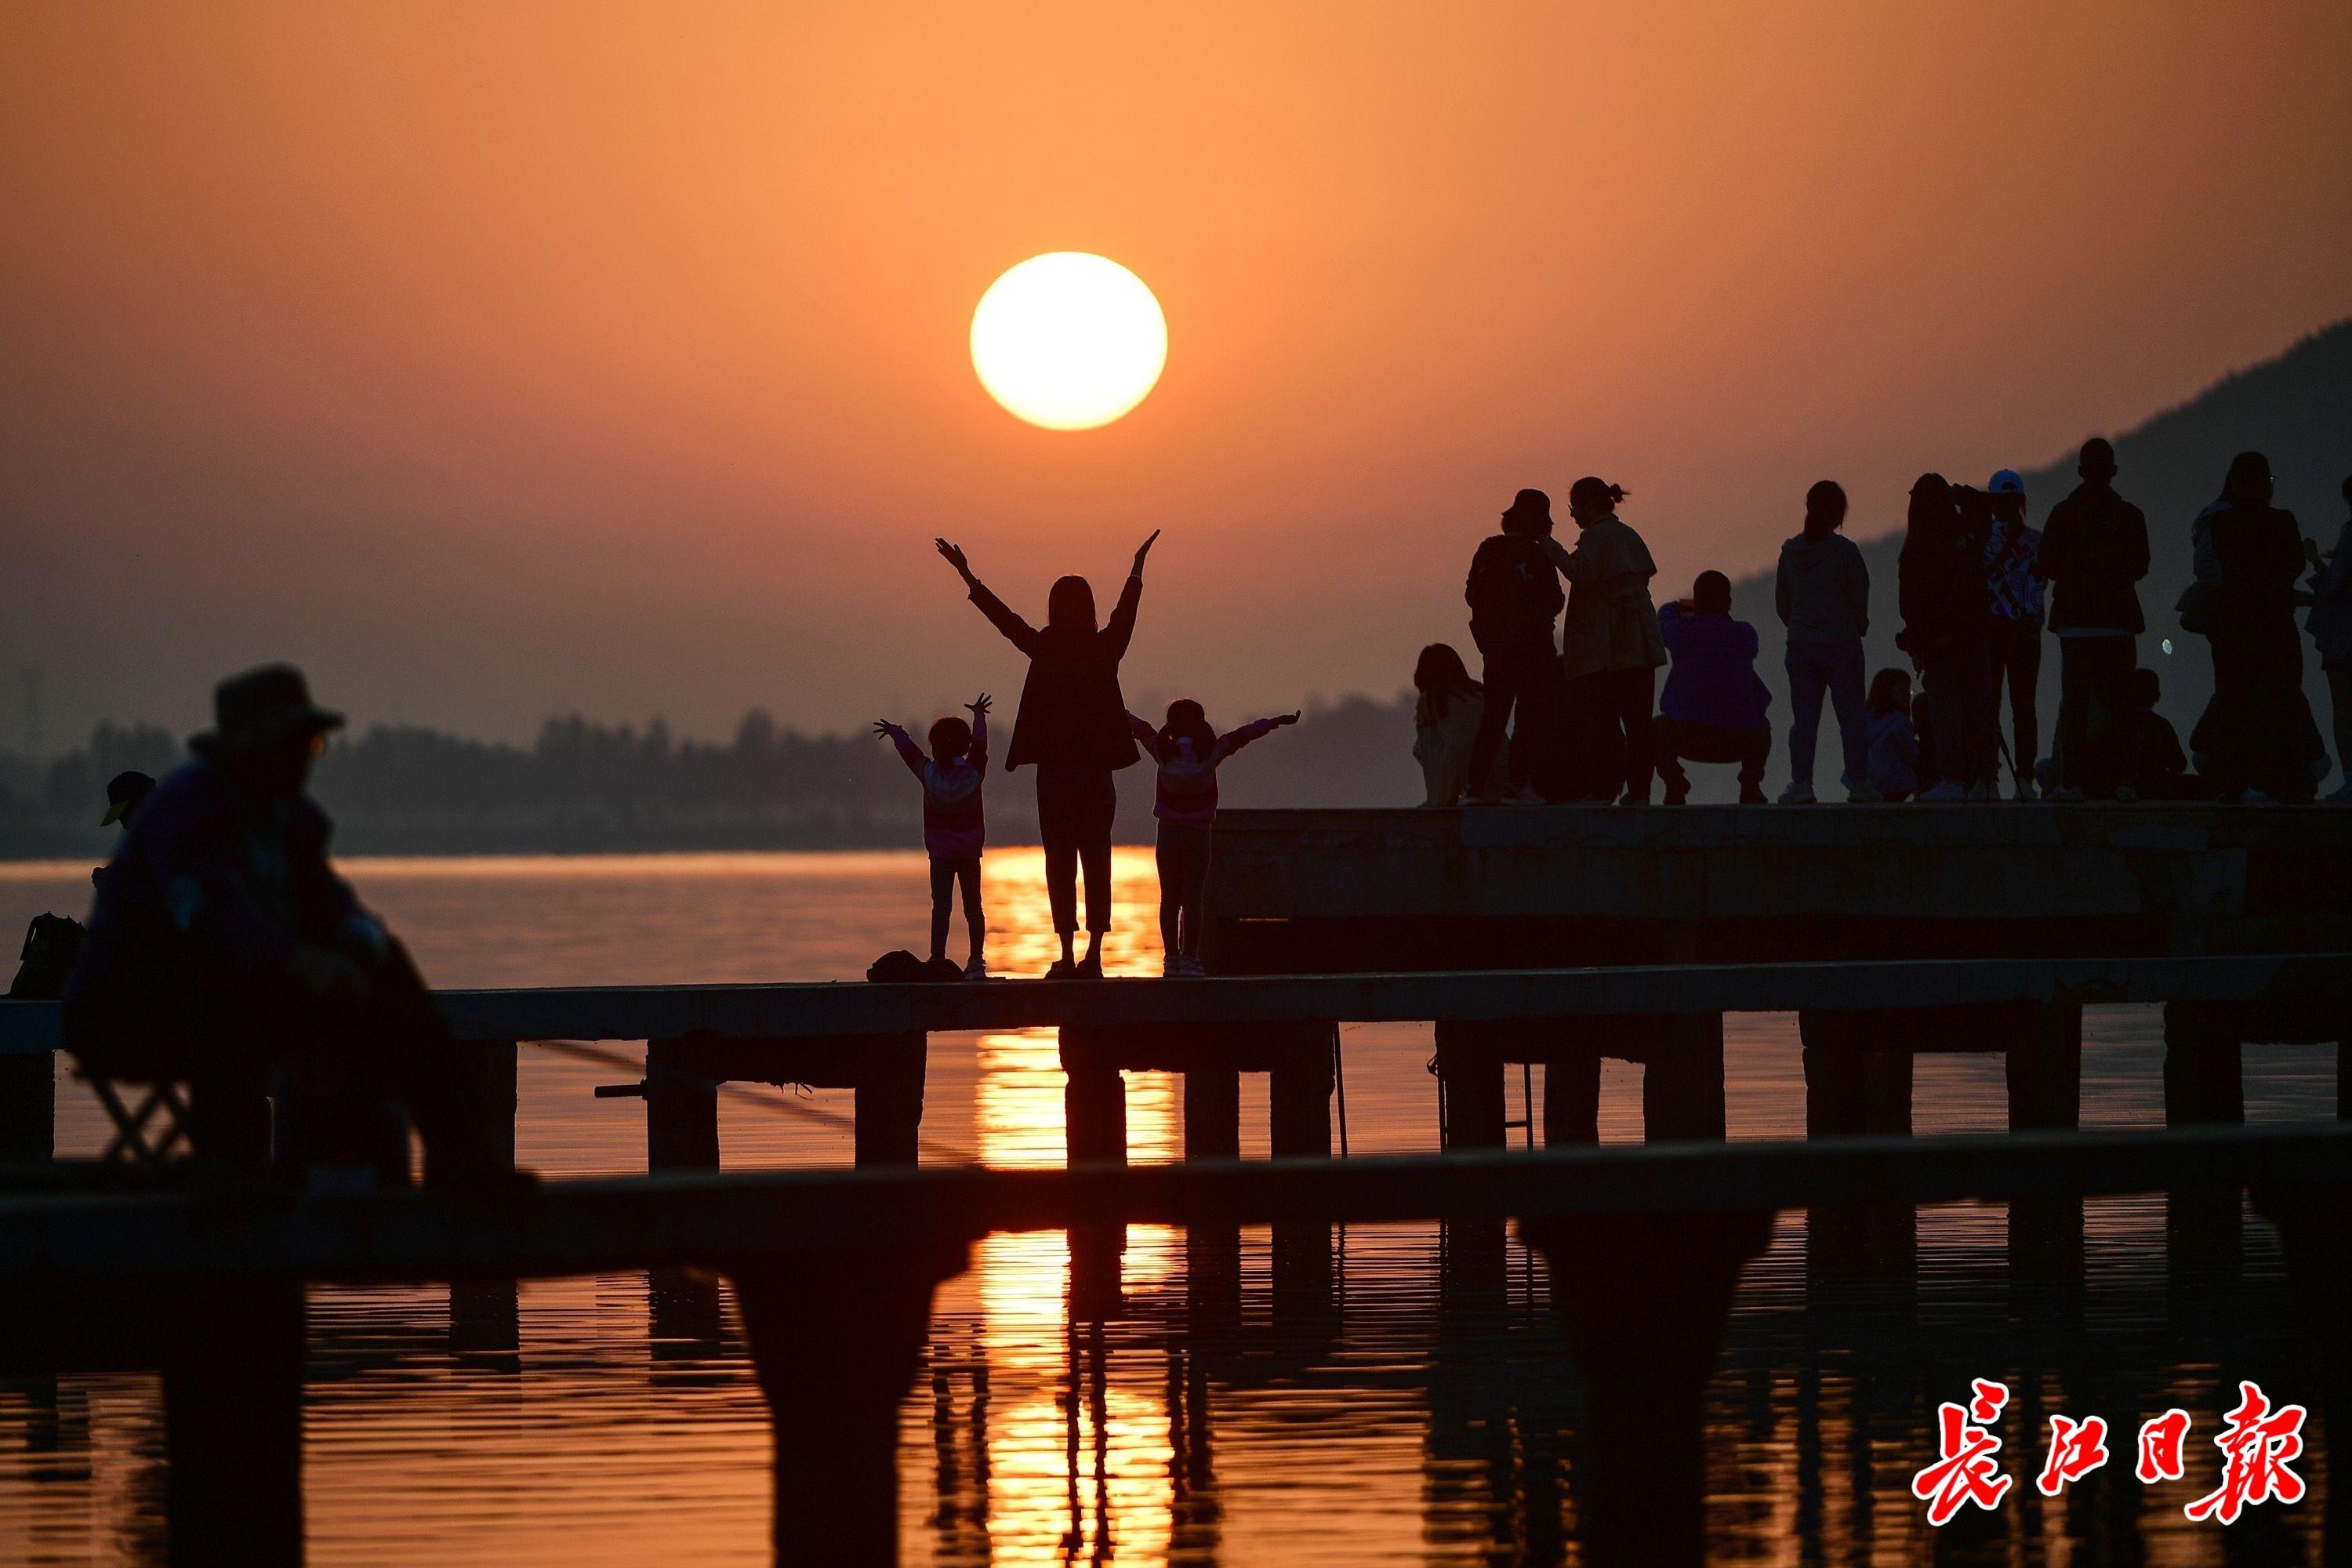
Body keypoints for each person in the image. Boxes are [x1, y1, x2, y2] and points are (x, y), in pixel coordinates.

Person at [62, 666, 519, 1187]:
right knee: (222, 982)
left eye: (314, 745)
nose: (306, 758)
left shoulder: (291, 821)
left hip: (230, 994)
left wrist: (358, 950)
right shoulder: (186, 809)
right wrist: (302, 962)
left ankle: (459, 1159)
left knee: (386, 964)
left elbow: (332, 905)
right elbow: (208, 916)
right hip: (123, 1009)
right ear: (256, 747)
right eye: (298, 744)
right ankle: (230, 1174)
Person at [938, 531, 1158, 977]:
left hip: (1056, 778)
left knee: (1060, 863)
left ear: (1055, 608)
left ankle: (1066, 952)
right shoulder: (1103, 650)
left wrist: (968, 575)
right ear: (1089, 609)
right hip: (1096, 778)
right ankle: (1092, 955)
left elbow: (1006, 620)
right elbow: (1125, 616)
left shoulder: (1046, 647)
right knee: (1097, 860)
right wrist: (1136, 569)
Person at [2183, 452, 2326, 802]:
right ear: (2265, 484)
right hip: (2277, 626)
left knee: (2234, 699)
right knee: (2282, 697)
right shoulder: (2283, 522)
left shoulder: (2219, 524)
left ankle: (2235, 779)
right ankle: (2286, 775)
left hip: (2233, 628)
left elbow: (2207, 569)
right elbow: (2293, 565)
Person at [1128, 701, 1298, 975]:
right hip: (1198, 833)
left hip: (1168, 832)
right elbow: (1244, 734)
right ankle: (1191, 960)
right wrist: (1275, 721)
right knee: (1193, 899)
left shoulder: (1162, 750)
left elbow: (1138, 727)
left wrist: (1109, 706)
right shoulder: (1212, 752)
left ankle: (1171, 960)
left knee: (1169, 899)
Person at [1544, 477, 1668, 803]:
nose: (1572, 516)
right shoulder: (1627, 536)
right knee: (1639, 724)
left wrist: (1550, 547)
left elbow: (1582, 574)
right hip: (1638, 645)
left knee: (1606, 724)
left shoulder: (1598, 539)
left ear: (1587, 505)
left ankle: (1605, 788)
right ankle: (1639, 791)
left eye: (1573, 508)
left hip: (1610, 651)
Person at [2038, 439, 2150, 800]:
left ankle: (2073, 781)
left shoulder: (2063, 514)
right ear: (2113, 472)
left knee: (2075, 705)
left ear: (2081, 471)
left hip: (2075, 623)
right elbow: (2141, 566)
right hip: (2118, 621)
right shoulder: (2130, 516)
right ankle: (2125, 781)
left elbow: (2048, 565)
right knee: (2121, 705)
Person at [1775, 480, 1879, 804]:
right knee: (1851, 718)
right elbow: (1858, 598)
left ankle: (1801, 783)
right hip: (1842, 645)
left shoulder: (1790, 553)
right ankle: (1859, 783)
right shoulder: (1846, 553)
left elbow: (1783, 605)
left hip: (1802, 644)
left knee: (1804, 720)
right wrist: (1856, 624)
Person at [873, 695, 993, 978]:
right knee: (973, 907)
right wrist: (979, 717)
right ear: (963, 746)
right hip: (969, 852)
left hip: (940, 853)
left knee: (941, 908)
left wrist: (896, 732)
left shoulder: (928, 773)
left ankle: (937, 958)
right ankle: (976, 961)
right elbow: (981, 745)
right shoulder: (974, 770)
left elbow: (909, 753)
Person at [1463, 490, 1566, 803]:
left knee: (1493, 720)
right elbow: (1555, 600)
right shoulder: (1537, 555)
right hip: (1535, 651)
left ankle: (1474, 787)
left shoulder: (1488, 550)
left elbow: (1472, 595)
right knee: (1529, 718)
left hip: (1497, 651)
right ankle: (1520, 785)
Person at [1899, 474, 1996, 802]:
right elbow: (1986, 506)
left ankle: (1955, 779)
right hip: (1973, 637)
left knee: (1948, 712)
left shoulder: (1918, 548)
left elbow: (1910, 604)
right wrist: (1959, 494)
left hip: (1940, 644)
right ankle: (1984, 780)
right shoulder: (1965, 536)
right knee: (1977, 709)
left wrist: (1917, 642)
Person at [1652, 571, 1770, 804]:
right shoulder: (1744, 634)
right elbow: (1751, 649)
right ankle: (1750, 785)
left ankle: (1675, 782)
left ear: (1697, 602)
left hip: (1688, 736)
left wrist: (1678, 607)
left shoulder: (1681, 633)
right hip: (1737, 738)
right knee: (1762, 727)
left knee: (1657, 728)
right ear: (1728, 602)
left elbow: (1662, 619)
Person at [1982, 470, 2046, 800]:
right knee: (2024, 708)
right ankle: (2024, 778)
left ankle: (1990, 778)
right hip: (2025, 633)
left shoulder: (1981, 540)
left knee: (1989, 706)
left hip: (1991, 632)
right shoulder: (2037, 541)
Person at [2304, 474, 2352, 801]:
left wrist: (2314, 560)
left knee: (2344, 707)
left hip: (2343, 636)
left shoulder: (2350, 532)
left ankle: (2350, 780)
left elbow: (2334, 586)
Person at [1412, 644, 1501, 805]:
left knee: (1422, 745)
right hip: (1499, 773)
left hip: (1462, 772)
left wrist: (1437, 800)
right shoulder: (1479, 693)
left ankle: (1438, 800)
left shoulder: (1430, 701)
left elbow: (1433, 751)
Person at [2124, 667, 2200, 800]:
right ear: (2157, 696)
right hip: (2158, 785)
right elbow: (2179, 763)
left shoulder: (2120, 724)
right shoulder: (2161, 725)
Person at [1864, 668, 1920, 802]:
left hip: (1869, 781)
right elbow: (1912, 753)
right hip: (1896, 783)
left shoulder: (1865, 721)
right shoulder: (1898, 722)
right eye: (1905, 689)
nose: (1908, 694)